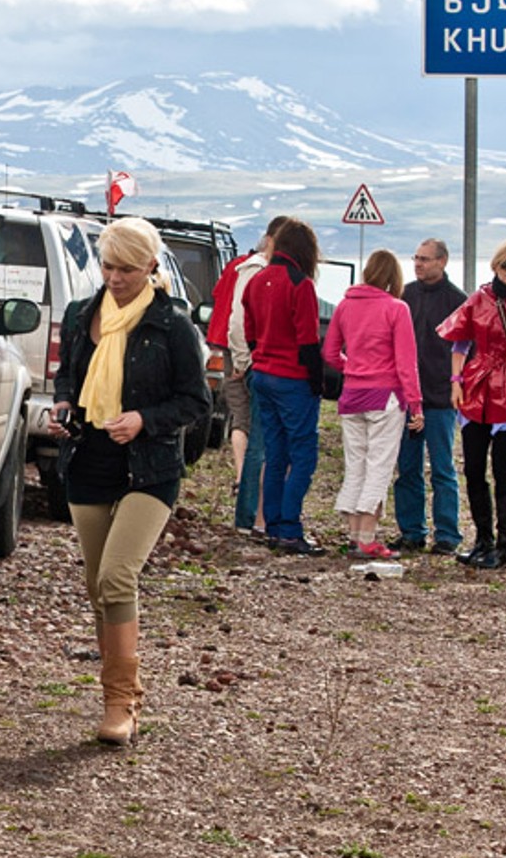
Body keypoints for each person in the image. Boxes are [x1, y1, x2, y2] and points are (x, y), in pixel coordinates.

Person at [46, 217, 210, 744]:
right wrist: (65, 405)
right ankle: (113, 697)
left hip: (150, 468)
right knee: (99, 590)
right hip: (87, 461)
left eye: (127, 269)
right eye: (109, 266)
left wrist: (145, 419)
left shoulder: (173, 326)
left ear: (151, 268)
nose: (115, 278)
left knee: (117, 578)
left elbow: (196, 403)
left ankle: (123, 703)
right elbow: (67, 374)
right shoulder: (80, 315)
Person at [437, 240, 506, 570]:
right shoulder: (480, 299)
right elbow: (459, 342)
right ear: (494, 267)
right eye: (505, 265)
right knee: (473, 468)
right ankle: (483, 539)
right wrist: (456, 383)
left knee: (503, 470)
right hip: (476, 389)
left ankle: (505, 546)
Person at [321, 249, 423, 559]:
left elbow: (329, 353)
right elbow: (407, 362)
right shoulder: (397, 308)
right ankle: (367, 537)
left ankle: (353, 536)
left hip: (352, 396)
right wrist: (416, 405)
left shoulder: (344, 307)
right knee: (378, 467)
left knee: (356, 466)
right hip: (385, 397)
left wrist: (350, 368)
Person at [242, 217, 328, 555]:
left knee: (275, 453)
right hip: (291, 377)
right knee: (303, 455)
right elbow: (308, 340)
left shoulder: (257, 279)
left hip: (263, 373)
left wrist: (259, 357)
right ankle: (290, 528)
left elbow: (249, 331)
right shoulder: (300, 284)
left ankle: (275, 525)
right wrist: (317, 382)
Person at [392, 238, 468, 555]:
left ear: (442, 261)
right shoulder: (404, 295)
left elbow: (466, 349)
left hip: (439, 398)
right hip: (407, 398)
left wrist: (457, 385)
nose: (419, 264)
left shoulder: (458, 300)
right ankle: (412, 530)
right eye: (416, 258)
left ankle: (447, 534)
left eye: (425, 259)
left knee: (442, 469)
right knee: (407, 468)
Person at [219, 215, 289, 536]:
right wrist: (245, 360)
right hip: (253, 362)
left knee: (249, 431)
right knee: (259, 440)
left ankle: (254, 515)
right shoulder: (257, 270)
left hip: (247, 359)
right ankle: (251, 516)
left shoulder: (249, 268)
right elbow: (239, 319)